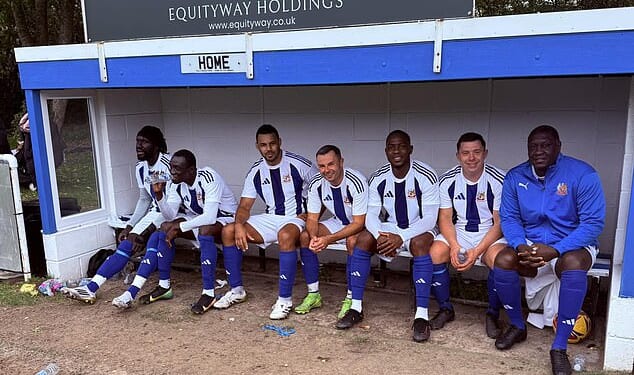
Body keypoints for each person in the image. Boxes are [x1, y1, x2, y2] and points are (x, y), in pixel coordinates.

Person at [497, 125, 605, 375]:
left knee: (574, 264)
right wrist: (520, 245)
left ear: (558, 145)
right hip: (531, 243)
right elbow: (510, 218)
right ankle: (517, 325)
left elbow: (593, 224)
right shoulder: (515, 176)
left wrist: (555, 250)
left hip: (571, 245)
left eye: (545, 145)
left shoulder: (583, 174)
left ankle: (558, 348)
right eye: (533, 146)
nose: (538, 151)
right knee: (503, 259)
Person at [336, 130, 440, 343]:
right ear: (386, 151)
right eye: (391, 147)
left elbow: (430, 218)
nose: (396, 151)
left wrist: (400, 237)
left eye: (401, 146)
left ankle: (421, 315)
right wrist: (381, 236)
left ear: (410, 149)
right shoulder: (378, 177)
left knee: (420, 245)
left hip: (419, 228)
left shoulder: (426, 174)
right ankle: (355, 307)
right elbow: (372, 215)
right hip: (390, 228)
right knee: (362, 239)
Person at [111, 149, 238, 313]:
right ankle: (163, 286)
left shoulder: (208, 177)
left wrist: (179, 227)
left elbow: (210, 217)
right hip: (200, 220)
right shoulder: (175, 183)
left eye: (177, 168)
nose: (172, 172)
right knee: (164, 228)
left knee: (203, 230)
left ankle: (208, 292)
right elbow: (169, 214)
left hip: (226, 219)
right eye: (171, 167)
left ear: (191, 170)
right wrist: (159, 196)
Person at [214, 124, 316, 320]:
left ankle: (284, 300)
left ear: (279, 143)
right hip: (271, 218)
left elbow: (322, 190)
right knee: (227, 231)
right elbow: (244, 207)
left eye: (272, 144)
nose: (268, 149)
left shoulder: (300, 164)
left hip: (296, 218)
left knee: (285, 235)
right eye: (263, 145)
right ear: (257, 146)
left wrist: (312, 216)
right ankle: (236, 290)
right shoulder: (256, 171)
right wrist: (239, 226)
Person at [62, 126, 170, 303]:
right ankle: (91, 288)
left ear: (157, 146)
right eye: (137, 141)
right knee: (127, 242)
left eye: (144, 142)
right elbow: (144, 199)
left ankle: (130, 294)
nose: (138, 146)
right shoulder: (140, 168)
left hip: (173, 214)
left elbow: (173, 206)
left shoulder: (168, 165)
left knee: (148, 241)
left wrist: (143, 232)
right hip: (156, 213)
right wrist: (130, 226)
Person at [428, 132, 507, 338]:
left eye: (476, 152)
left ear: (485, 153)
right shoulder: (447, 180)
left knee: (499, 260)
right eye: (466, 153)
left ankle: (492, 313)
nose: (471, 158)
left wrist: (477, 251)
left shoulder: (499, 179)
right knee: (435, 253)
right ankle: (446, 308)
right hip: (460, 232)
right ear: (458, 156)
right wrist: (454, 245)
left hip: (489, 234)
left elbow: (499, 223)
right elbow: (444, 218)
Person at [297, 145, 368, 317]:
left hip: (364, 225)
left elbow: (359, 223)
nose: (326, 170)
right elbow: (312, 219)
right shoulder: (316, 183)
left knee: (352, 241)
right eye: (322, 166)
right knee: (305, 237)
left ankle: (351, 298)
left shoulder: (355, 181)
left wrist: (328, 239)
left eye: (331, 164)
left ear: (341, 162)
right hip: (338, 223)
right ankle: (313, 294)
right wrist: (315, 237)